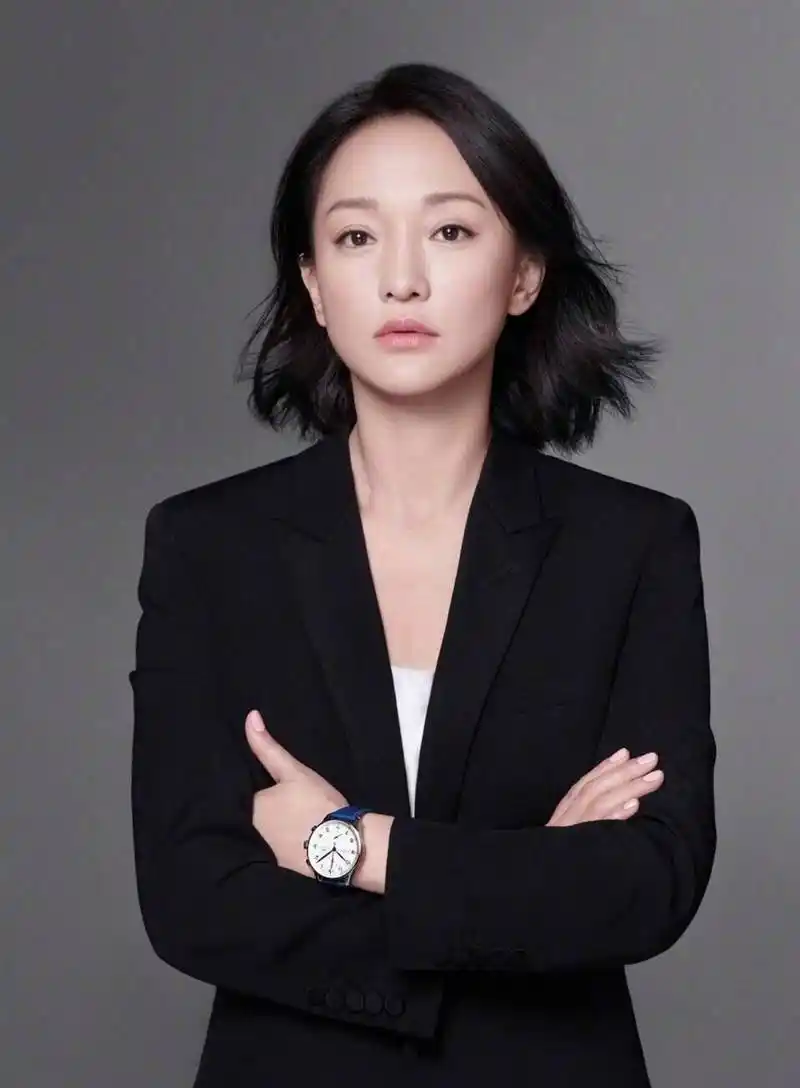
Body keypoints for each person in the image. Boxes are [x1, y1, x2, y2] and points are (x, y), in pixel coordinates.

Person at [129, 62, 717, 1087]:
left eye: (449, 230)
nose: (401, 279)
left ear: (524, 273)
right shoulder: (208, 546)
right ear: (314, 283)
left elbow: (645, 883)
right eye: (357, 237)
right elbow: (193, 899)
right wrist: (522, 885)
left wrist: (351, 846)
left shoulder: (633, 544)